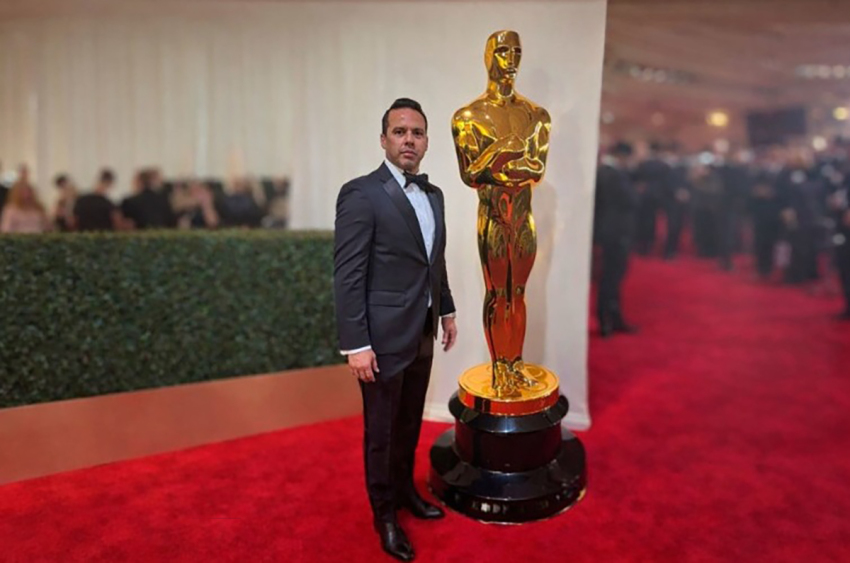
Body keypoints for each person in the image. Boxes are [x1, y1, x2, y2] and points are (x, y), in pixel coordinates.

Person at [334, 98, 457, 562]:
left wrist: (445, 309)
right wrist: (357, 344)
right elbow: (347, 275)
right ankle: (383, 514)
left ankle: (405, 492)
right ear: (384, 139)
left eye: (418, 132)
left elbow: (434, 261)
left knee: (410, 421)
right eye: (400, 131)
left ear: (427, 141)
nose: (409, 139)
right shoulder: (361, 193)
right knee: (382, 431)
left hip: (422, 330)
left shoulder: (435, 195)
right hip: (380, 340)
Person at [594, 141, 639, 337]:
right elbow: (631, 201)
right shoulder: (614, 175)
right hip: (616, 232)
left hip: (608, 231)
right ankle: (607, 320)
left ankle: (613, 318)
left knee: (611, 277)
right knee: (611, 278)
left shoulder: (604, 172)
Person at [0, 166, 50, 233]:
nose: (26, 195)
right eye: (23, 192)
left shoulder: (38, 208)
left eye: (28, 192)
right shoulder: (11, 210)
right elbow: (6, 229)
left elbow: (48, 226)